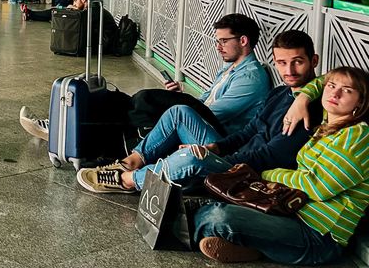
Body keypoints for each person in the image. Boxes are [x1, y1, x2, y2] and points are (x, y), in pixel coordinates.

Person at [75, 30, 318, 194]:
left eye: (298, 62)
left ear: (314, 61)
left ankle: (127, 181)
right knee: (178, 111)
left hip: (248, 172)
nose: (290, 70)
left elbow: (271, 155)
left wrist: (214, 158)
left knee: (191, 157)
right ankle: (130, 163)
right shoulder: (280, 93)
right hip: (234, 154)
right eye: (282, 63)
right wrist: (216, 148)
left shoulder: (310, 109)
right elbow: (250, 131)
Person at [193, 66, 369, 265]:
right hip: (289, 211)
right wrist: (303, 98)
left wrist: (269, 174)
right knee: (211, 201)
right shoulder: (328, 128)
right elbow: (321, 80)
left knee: (217, 216)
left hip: (318, 235)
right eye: (331, 86)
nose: (335, 93)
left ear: (360, 101)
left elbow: (318, 188)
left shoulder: (357, 136)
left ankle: (253, 245)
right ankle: (259, 247)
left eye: (347, 91)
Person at [20, 13, 271, 141]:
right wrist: (181, 97)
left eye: (223, 41)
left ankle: (61, 129)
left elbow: (214, 114)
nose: (218, 46)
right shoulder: (228, 69)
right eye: (217, 41)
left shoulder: (251, 78)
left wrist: (178, 106)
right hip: (201, 118)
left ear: (244, 41)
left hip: (214, 133)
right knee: (117, 102)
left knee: (140, 102)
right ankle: (60, 126)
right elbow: (206, 102)